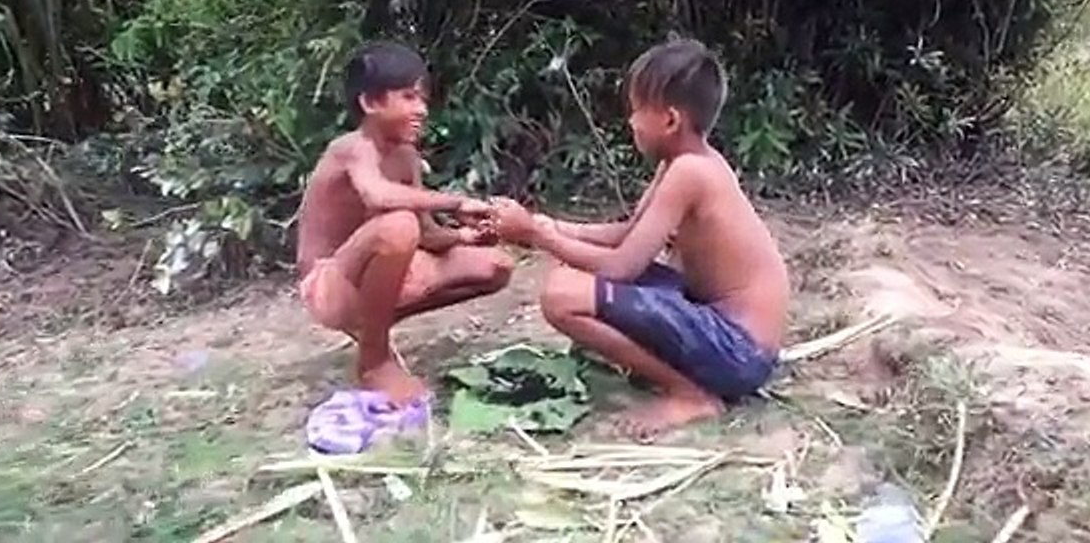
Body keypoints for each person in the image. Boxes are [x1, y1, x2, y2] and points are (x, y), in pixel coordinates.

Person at [491, 38, 789, 438]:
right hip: (719, 326)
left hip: (740, 351)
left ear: (669, 120)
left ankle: (690, 395)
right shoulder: (683, 162)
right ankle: (682, 380)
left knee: (563, 296)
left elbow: (622, 265)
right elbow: (631, 232)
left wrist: (535, 235)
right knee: (571, 272)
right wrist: (548, 227)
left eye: (635, 111)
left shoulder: (691, 173)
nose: (630, 122)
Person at [295, 41, 514, 404]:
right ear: (370, 103)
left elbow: (426, 233)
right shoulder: (353, 147)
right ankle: (374, 362)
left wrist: (470, 235)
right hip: (329, 284)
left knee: (496, 266)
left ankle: (373, 327)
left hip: (376, 276)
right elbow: (378, 196)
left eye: (423, 99)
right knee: (397, 226)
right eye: (409, 98)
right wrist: (457, 201)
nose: (422, 110)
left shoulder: (407, 157)